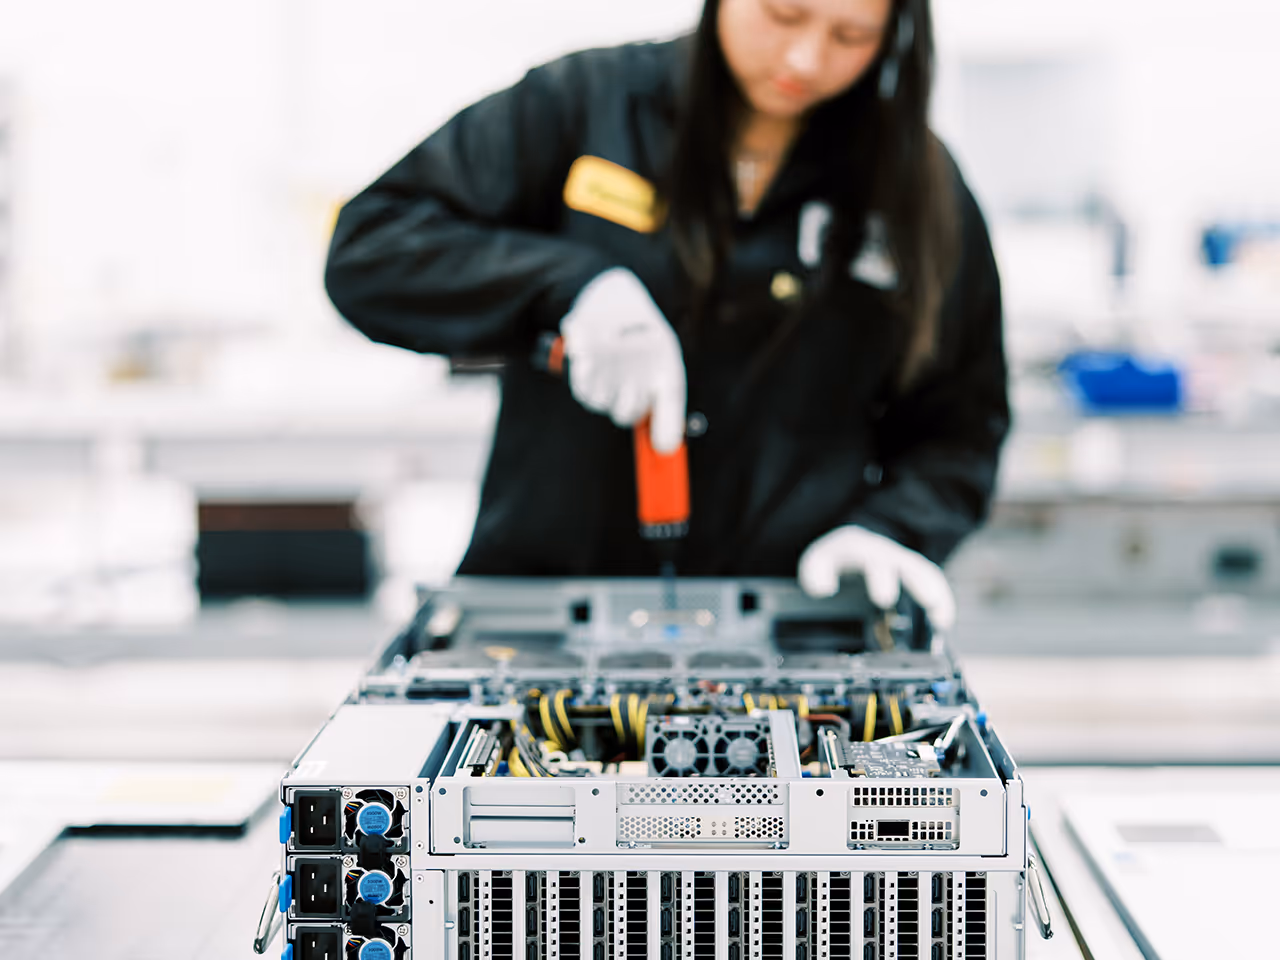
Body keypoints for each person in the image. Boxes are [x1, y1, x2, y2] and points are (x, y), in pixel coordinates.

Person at [324, 0, 1008, 632]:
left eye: (850, 35)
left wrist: (895, 530)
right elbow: (372, 249)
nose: (805, 58)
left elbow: (962, 425)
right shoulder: (583, 104)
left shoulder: (918, 186)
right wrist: (569, 287)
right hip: (541, 612)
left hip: (792, 628)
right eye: (783, 13)